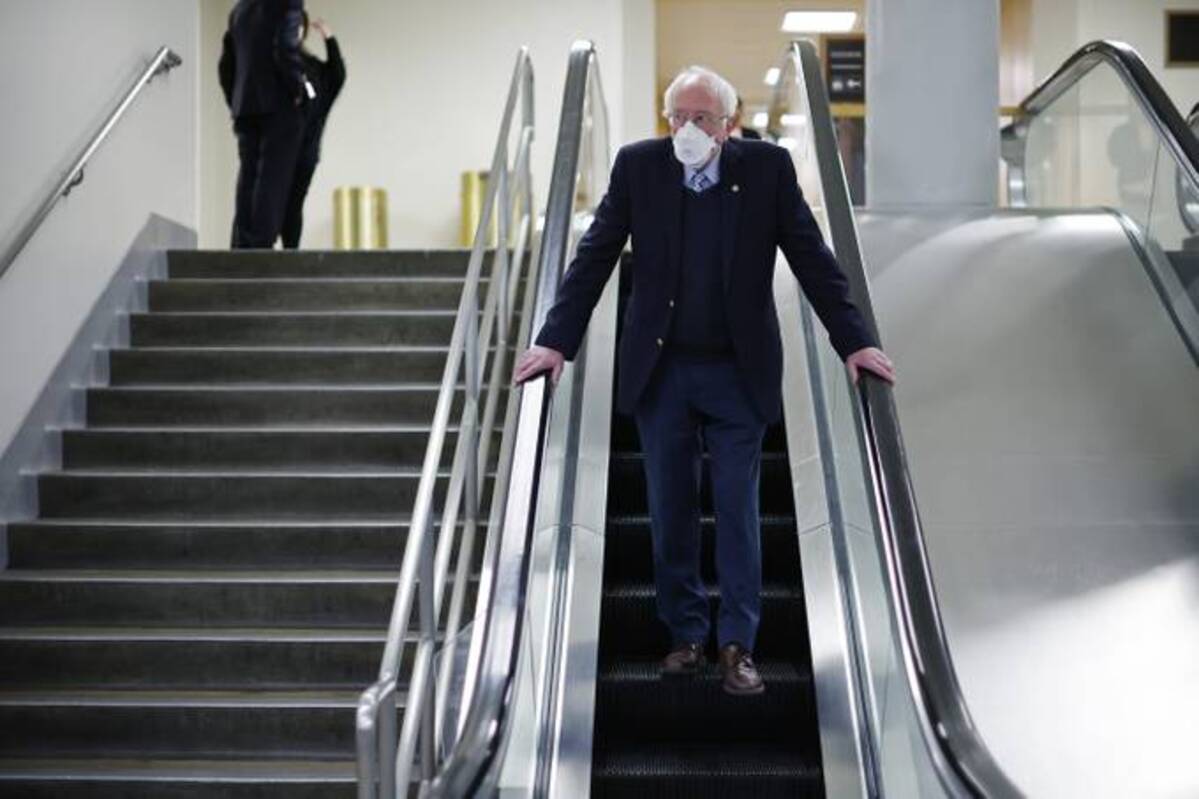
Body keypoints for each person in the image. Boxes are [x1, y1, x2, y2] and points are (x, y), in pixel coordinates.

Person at [513, 66, 894, 696]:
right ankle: (686, 634)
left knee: (737, 508)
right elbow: (594, 255)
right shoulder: (639, 168)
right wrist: (555, 340)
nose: (688, 129)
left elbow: (812, 258)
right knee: (670, 507)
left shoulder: (767, 170)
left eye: (702, 118)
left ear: (728, 124)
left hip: (737, 372)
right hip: (662, 372)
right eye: (678, 118)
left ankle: (738, 644)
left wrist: (854, 341)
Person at [219, 0, 307, 249]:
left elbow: (226, 65)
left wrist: (236, 100)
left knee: (248, 176)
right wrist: (297, 87)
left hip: (244, 105)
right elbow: (286, 45)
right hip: (278, 102)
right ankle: (260, 245)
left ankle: (243, 243)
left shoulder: (240, 9)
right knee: (273, 177)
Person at [281, 13, 346, 249]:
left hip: (304, 151)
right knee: (266, 204)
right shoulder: (272, 62)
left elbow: (337, 75)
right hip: (274, 150)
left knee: (293, 205)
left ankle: (289, 254)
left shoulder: (315, 69)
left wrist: (329, 38)